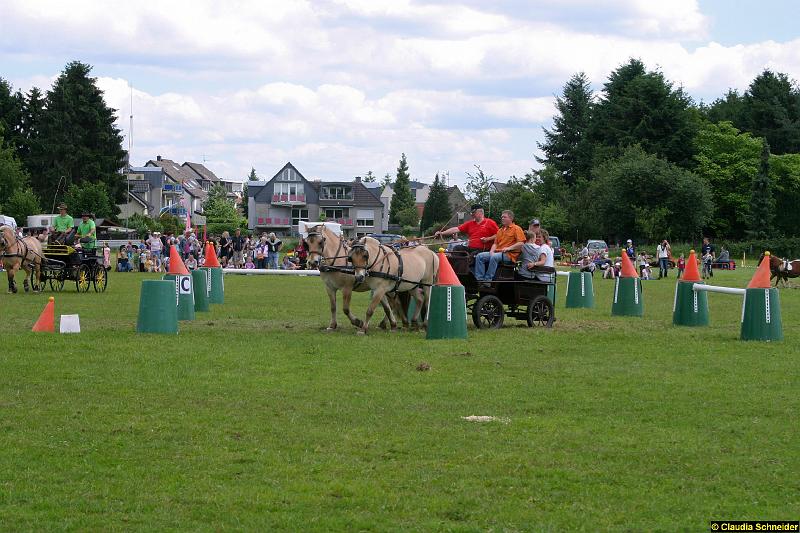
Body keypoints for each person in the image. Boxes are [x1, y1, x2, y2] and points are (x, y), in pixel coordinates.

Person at [474, 209, 525, 284]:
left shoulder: (517, 228)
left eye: (504, 217)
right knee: (480, 256)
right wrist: (491, 251)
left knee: (494, 257)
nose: (502, 218)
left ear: (511, 218)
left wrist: (509, 248)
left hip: (509, 255)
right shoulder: (500, 230)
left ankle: (487, 280)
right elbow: (495, 244)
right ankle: (479, 279)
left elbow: (521, 243)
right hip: (498, 252)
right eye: (501, 217)